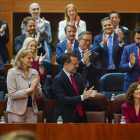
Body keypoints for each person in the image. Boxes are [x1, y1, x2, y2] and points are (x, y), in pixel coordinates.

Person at [52, 52, 97, 123]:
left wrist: (88, 95)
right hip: (66, 118)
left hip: (81, 117)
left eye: (77, 63)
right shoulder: (58, 79)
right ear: (66, 64)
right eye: (74, 64)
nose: (77, 66)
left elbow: (83, 93)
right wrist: (82, 97)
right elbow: (63, 100)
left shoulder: (78, 76)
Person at [6, 48, 43, 123]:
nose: (32, 60)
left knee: (31, 134)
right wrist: (29, 89)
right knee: (17, 134)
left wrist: (36, 89)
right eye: (29, 58)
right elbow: (12, 95)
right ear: (21, 58)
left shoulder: (34, 72)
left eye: (32, 58)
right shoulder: (12, 72)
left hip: (32, 111)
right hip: (16, 112)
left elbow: (39, 96)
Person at [119, 27, 140, 93]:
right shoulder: (127, 49)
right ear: (134, 37)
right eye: (138, 38)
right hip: (131, 86)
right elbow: (121, 68)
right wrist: (131, 64)